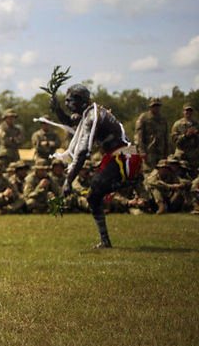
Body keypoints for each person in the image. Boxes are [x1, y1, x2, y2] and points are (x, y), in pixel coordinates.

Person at [50, 83, 143, 248]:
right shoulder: (87, 113)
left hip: (125, 156)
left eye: (69, 101)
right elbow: (68, 121)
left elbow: (82, 153)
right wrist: (57, 108)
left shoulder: (92, 116)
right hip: (116, 156)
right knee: (93, 197)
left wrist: (68, 181)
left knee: (96, 183)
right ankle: (105, 240)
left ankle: (129, 182)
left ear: (81, 100)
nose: (67, 105)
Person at [135, 98, 170, 171]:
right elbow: (139, 135)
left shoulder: (163, 119)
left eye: (158, 105)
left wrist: (167, 152)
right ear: (150, 107)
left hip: (161, 152)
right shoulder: (144, 118)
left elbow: (166, 137)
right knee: (148, 173)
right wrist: (141, 150)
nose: (156, 107)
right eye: (154, 106)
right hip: (148, 152)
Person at [171, 104, 198, 172]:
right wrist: (185, 136)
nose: (188, 112)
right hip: (181, 153)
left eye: (190, 111)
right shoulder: (177, 124)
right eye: (187, 110)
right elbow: (174, 140)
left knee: (193, 174)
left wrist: (196, 135)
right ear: (183, 111)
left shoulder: (197, 124)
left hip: (193, 155)